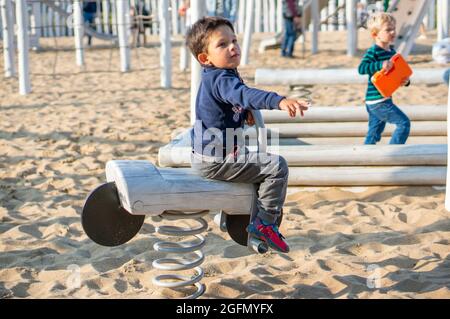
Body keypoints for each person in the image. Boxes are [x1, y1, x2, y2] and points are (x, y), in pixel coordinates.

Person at [186, 17, 309, 253]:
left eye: (234, 40)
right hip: (215, 161)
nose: (233, 47)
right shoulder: (220, 78)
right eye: (222, 44)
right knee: (276, 166)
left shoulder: (221, 75)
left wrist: (243, 115)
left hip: (214, 155)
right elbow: (244, 95)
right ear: (205, 58)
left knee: (257, 163)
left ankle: (235, 216)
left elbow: (225, 108)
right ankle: (265, 224)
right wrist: (279, 101)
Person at [358, 12, 411, 145]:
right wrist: (379, 64)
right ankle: (394, 151)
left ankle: (366, 155)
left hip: (380, 99)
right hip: (378, 101)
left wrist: (405, 81)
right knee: (403, 123)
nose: (393, 32)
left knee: (374, 133)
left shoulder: (392, 53)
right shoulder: (373, 51)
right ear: (375, 34)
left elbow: (396, 75)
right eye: (388, 29)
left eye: (394, 28)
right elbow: (362, 68)